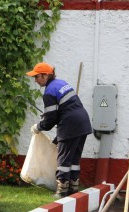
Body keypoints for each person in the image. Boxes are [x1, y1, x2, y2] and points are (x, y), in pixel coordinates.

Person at [26, 62, 92, 198]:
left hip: (70, 125)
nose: (35, 80)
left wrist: (38, 127)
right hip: (83, 122)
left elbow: (50, 119)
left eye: (37, 77)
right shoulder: (61, 83)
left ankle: (61, 191)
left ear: (45, 76)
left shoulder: (49, 92)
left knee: (64, 159)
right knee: (74, 158)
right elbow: (59, 112)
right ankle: (73, 189)